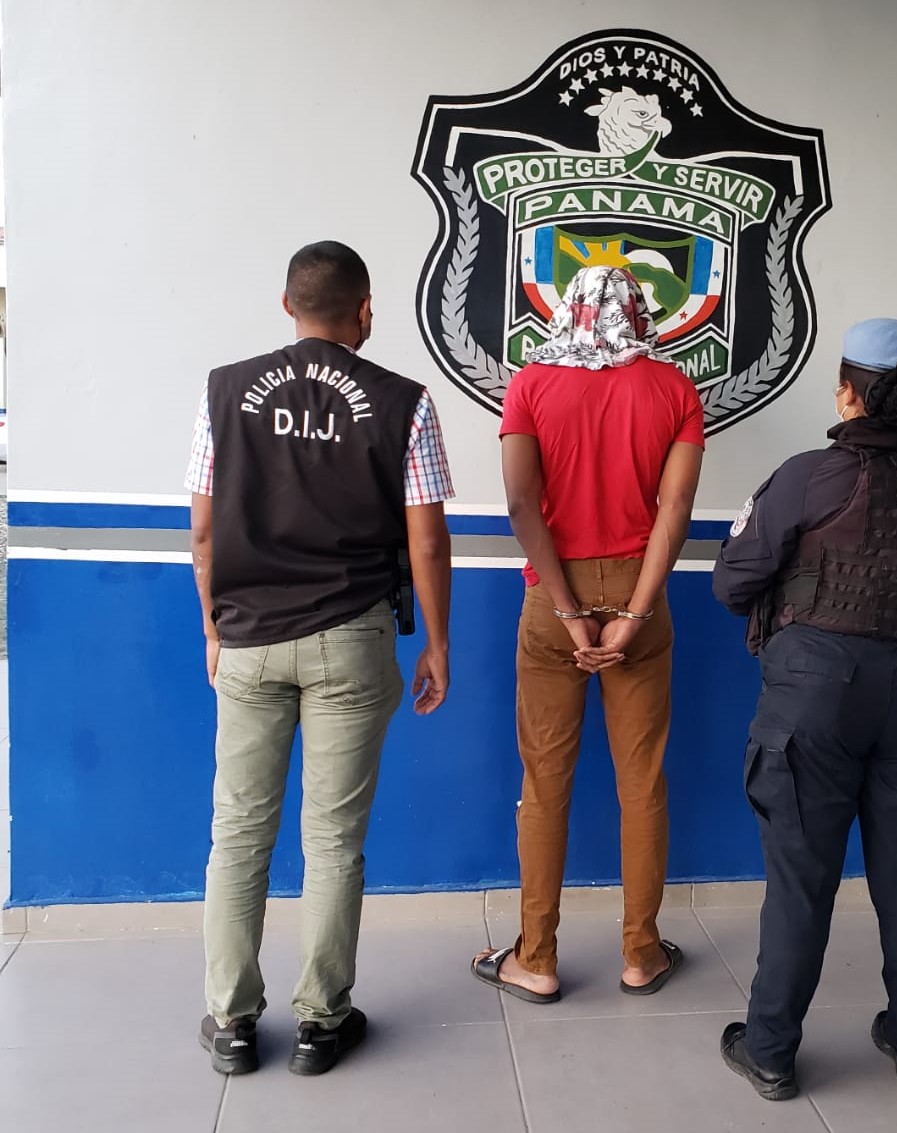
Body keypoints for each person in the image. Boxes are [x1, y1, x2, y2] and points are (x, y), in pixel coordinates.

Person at [186, 240, 454, 1076]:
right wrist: (437, 641)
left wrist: (213, 628)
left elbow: (202, 528)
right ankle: (320, 1023)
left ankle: (232, 1021)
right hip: (351, 637)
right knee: (333, 838)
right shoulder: (405, 402)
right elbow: (427, 541)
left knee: (238, 832)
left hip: (249, 637)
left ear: (286, 305)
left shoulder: (224, 390)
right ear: (364, 310)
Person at [712, 318, 897, 1100]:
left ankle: (770, 1051)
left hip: (814, 696)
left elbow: (732, 582)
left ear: (848, 393)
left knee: (800, 880)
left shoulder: (807, 476)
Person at [470, 266, 704, 1003]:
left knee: (544, 784)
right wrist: (633, 613)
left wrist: (570, 611)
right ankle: (642, 953)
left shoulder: (530, 384)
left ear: (568, 311)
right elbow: (674, 509)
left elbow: (520, 503)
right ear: (638, 314)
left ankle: (535, 958)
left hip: (553, 599)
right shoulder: (674, 389)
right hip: (640, 594)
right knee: (642, 781)